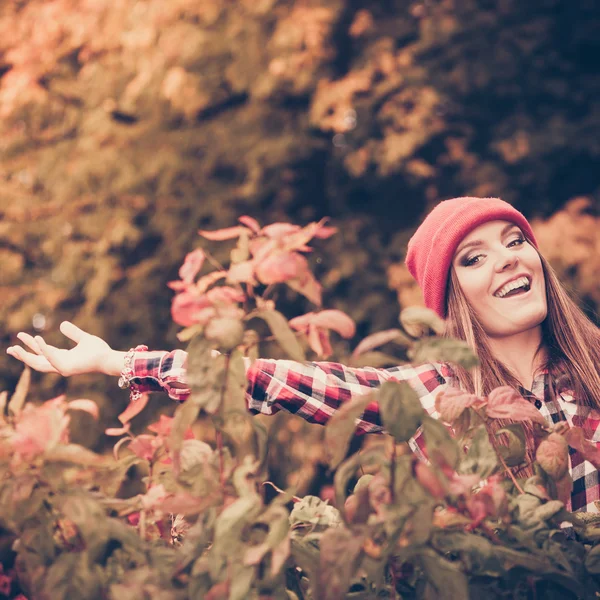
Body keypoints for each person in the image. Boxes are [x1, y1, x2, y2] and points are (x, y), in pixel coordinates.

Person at [6, 197, 600, 512]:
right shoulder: (436, 395)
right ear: (451, 299)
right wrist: (117, 363)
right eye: (473, 258)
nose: (507, 259)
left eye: (515, 241)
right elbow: (277, 377)